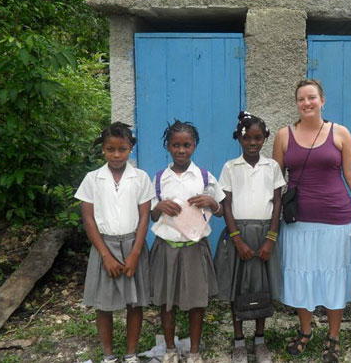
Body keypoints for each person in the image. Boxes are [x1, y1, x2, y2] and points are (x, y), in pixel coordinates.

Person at [272, 79, 351, 363]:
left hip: (336, 219)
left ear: (322, 100)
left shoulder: (339, 133)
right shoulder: (283, 136)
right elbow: (275, 182)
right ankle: (306, 331)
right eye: (301, 99)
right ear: (296, 104)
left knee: (334, 276)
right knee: (302, 274)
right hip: (298, 221)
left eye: (312, 97)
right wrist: (270, 221)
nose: (307, 103)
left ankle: (333, 336)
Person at [75, 122, 153, 363]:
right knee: (104, 305)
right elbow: (88, 219)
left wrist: (135, 253)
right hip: (103, 247)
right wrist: (106, 256)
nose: (117, 155)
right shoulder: (92, 179)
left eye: (122, 149)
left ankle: (131, 354)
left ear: (131, 149)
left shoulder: (140, 178)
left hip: (133, 245)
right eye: (111, 149)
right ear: (103, 150)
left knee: (135, 303)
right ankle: (108, 355)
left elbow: (144, 217)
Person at [149, 120, 225, 363]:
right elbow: (150, 214)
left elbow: (221, 210)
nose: (181, 150)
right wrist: (159, 206)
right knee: (166, 302)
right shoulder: (160, 178)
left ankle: (194, 352)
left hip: (194, 248)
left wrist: (211, 203)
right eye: (176, 145)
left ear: (194, 146)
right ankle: (170, 349)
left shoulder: (204, 177)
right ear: (168, 147)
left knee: (196, 303)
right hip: (166, 248)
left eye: (187, 145)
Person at [214, 111, 286, 363]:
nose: (252, 143)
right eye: (247, 138)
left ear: (264, 139)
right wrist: (236, 239)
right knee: (238, 286)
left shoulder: (272, 167)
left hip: (265, 234)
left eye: (258, 138)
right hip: (239, 235)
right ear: (239, 139)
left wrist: (271, 238)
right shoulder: (230, 167)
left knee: (261, 287)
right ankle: (238, 341)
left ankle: (260, 339)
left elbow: (277, 203)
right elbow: (226, 204)